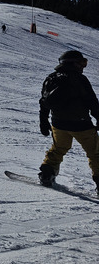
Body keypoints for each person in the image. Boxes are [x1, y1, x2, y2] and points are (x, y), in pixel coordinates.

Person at [38, 50, 99, 191]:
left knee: (58, 148)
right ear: (71, 63)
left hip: (58, 124)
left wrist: (44, 120)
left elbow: (44, 101)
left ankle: (47, 174)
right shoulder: (79, 79)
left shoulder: (51, 78)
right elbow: (92, 102)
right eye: (81, 63)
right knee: (95, 153)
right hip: (81, 124)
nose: (83, 67)